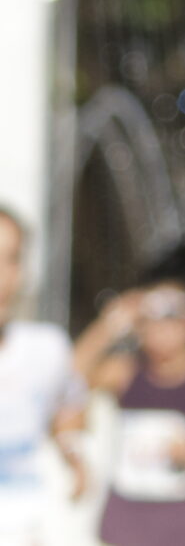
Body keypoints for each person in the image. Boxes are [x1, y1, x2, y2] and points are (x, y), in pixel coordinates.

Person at [69, 281, 185, 546]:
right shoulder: (126, 370)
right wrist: (110, 324)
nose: (162, 329)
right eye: (152, 319)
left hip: (184, 528)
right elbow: (69, 377)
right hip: (124, 524)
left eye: (173, 318)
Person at [0, 207, 86, 546]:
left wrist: (73, 453)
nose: (3, 277)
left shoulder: (47, 348)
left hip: (30, 529)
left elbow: (68, 407)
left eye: (12, 259)